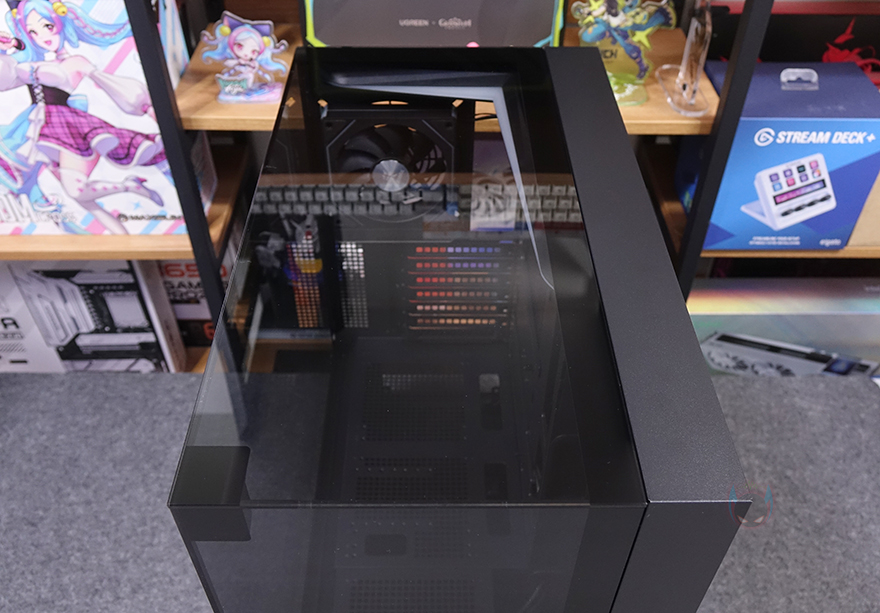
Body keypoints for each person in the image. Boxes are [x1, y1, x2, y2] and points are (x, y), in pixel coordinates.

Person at [0, 0, 169, 234]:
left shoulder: (75, 62)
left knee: (76, 191)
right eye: (33, 32)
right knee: (83, 200)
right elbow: (5, 81)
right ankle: (122, 236)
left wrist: (146, 106)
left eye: (48, 26)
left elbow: (109, 85)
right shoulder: (29, 62)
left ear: (60, 22)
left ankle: (128, 187)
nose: (43, 37)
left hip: (66, 126)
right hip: (38, 128)